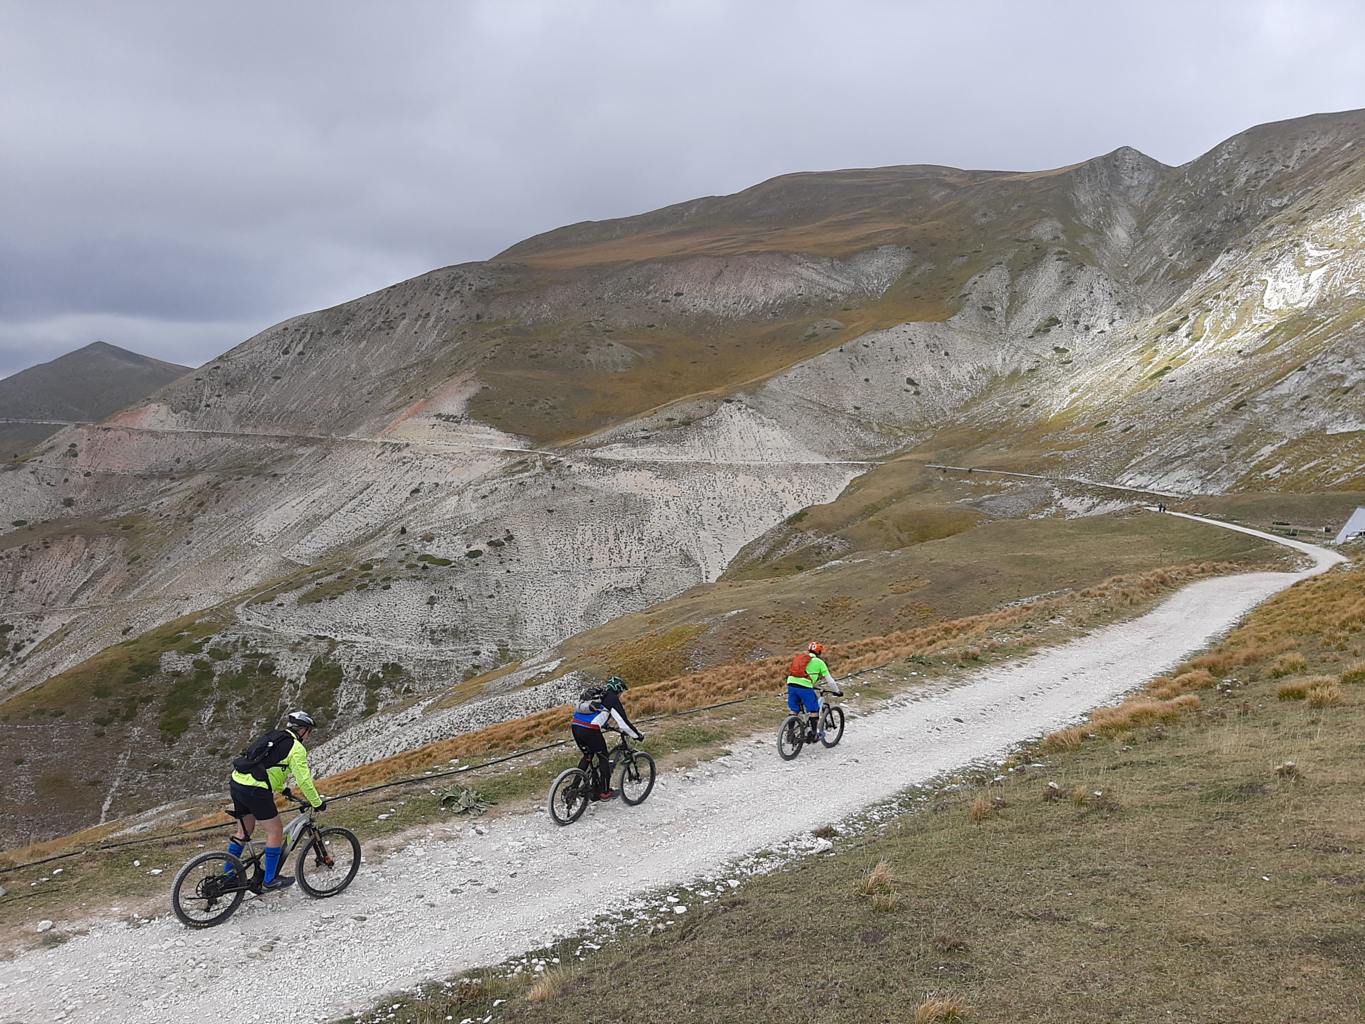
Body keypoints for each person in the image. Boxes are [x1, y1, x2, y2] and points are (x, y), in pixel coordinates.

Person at [227, 710, 327, 890]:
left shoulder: (275, 736)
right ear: (303, 731)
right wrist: (317, 802)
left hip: (237, 782)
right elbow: (304, 781)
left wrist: (283, 789)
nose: (309, 735)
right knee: (276, 831)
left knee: (244, 832)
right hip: (255, 789)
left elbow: (269, 766)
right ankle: (270, 880)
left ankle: (228, 877)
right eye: (309, 731)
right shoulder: (296, 748)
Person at [570, 676, 643, 801]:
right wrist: (637, 735)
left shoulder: (598, 695)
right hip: (590, 729)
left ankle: (575, 787)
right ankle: (605, 792)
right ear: (618, 690)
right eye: (621, 692)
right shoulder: (612, 699)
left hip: (576, 725)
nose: (621, 695)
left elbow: (597, 713)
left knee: (588, 756)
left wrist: (605, 725)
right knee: (603, 757)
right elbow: (623, 722)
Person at [787, 642, 841, 742]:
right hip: (805, 686)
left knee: (794, 708)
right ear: (819, 652)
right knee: (814, 710)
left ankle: (790, 734)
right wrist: (837, 691)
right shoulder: (819, 662)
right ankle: (814, 735)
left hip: (791, 683)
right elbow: (830, 681)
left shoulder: (801, 659)